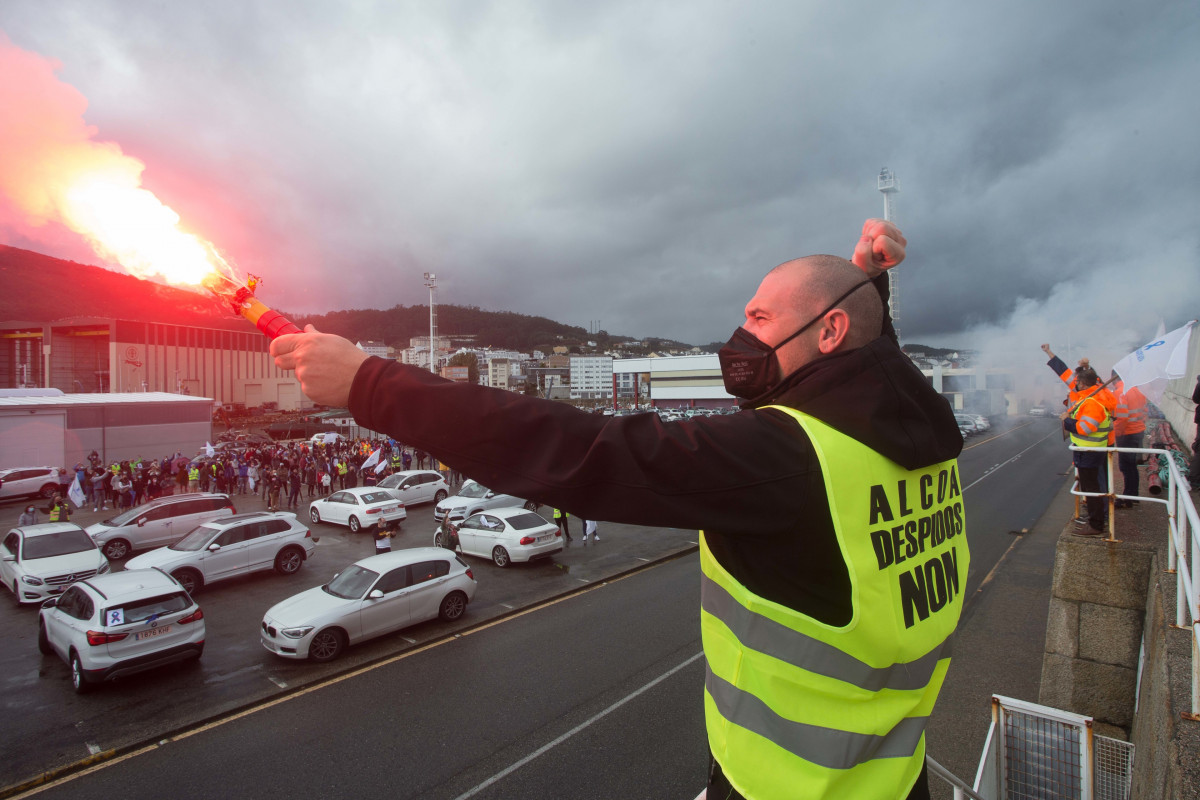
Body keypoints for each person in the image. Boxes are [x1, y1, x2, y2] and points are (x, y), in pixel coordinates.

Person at [272, 218, 966, 800]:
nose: (740, 335)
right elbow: (875, 369)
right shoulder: (919, 437)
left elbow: (581, 448)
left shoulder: (785, 458)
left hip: (782, 787)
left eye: (759, 317)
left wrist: (370, 383)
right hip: (892, 775)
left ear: (830, 330)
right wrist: (867, 283)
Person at [1062, 368, 1111, 536]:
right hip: (1090, 451)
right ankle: (1094, 520)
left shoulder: (1091, 403)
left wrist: (1067, 422)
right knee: (1091, 488)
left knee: (1091, 489)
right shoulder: (1092, 399)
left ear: (1082, 384)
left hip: (1089, 452)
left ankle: (1096, 525)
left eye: (1077, 382)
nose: (1075, 384)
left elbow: (1086, 428)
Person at [1111, 375, 1147, 508]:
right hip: (1138, 431)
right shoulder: (1137, 390)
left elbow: (1121, 417)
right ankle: (1133, 495)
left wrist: (1118, 433)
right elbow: (1145, 410)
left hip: (1127, 434)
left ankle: (1127, 497)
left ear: (1114, 379)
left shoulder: (1120, 392)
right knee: (1132, 465)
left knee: (1126, 466)